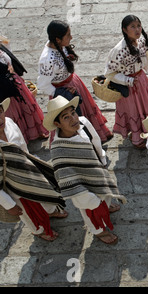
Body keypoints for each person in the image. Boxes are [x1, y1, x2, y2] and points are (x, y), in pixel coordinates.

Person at [43, 96, 125, 245]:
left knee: (105, 195)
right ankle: (99, 231)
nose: (73, 119)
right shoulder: (59, 150)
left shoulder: (83, 123)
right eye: (66, 117)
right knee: (91, 212)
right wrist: (90, 200)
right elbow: (68, 181)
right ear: (57, 124)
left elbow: (95, 141)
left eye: (73, 113)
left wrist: (102, 160)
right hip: (83, 189)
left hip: (97, 171)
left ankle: (106, 205)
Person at [0, 98, 68, 241]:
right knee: (27, 213)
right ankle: (39, 231)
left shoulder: (10, 123)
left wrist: (35, 164)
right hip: (14, 189)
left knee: (45, 194)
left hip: (31, 173)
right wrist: (9, 205)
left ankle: (50, 212)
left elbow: (24, 148)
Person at [38, 20, 113, 143]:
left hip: (73, 83)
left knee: (84, 110)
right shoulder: (47, 60)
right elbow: (42, 84)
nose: (71, 37)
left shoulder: (59, 46)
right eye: (68, 35)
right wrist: (62, 92)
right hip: (63, 92)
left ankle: (94, 135)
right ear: (57, 39)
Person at [105, 15, 148, 149]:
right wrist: (128, 80)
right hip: (128, 87)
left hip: (142, 82)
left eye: (138, 26)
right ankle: (137, 137)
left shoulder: (142, 42)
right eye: (132, 27)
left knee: (147, 107)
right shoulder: (118, 50)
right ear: (124, 30)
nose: (137, 29)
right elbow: (109, 73)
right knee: (133, 110)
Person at [0, 35, 49, 142]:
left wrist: (10, 67)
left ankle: (36, 132)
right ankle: (19, 138)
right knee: (12, 114)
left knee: (26, 108)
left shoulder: (2, 44)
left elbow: (9, 57)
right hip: (3, 91)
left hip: (14, 83)